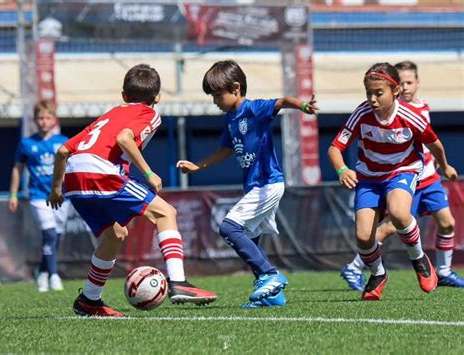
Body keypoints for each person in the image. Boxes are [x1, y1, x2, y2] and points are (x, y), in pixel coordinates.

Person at [47, 64, 217, 317]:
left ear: (124, 95)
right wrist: (149, 173)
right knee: (165, 213)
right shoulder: (149, 114)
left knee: (115, 234)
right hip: (100, 172)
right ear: (158, 97)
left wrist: (56, 189)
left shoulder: (109, 115)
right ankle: (179, 282)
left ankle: (89, 301)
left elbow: (63, 151)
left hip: (73, 178)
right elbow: (125, 138)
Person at [176, 60, 319, 308]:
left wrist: (304, 106)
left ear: (236, 87)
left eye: (218, 95)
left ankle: (269, 275)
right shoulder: (231, 120)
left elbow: (283, 101)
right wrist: (198, 166)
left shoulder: (254, 109)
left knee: (229, 228)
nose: (215, 102)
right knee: (250, 239)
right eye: (212, 96)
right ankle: (272, 297)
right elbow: (225, 150)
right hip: (255, 187)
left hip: (268, 183)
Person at [328, 62, 457, 301]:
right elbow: (335, 147)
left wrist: (446, 165)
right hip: (368, 177)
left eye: (379, 93)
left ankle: (419, 258)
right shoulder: (362, 113)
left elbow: (434, 144)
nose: (373, 99)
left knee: (399, 213)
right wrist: (342, 169)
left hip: (402, 171)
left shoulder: (412, 116)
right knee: (364, 236)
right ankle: (378, 274)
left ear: (395, 91)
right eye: (369, 93)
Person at [9, 101, 69, 292]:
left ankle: (42, 271)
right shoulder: (27, 143)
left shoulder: (63, 141)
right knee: (49, 233)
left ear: (54, 119)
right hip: (37, 196)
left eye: (47, 117)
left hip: (60, 196)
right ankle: (53, 275)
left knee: (56, 237)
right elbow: (17, 168)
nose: (44, 121)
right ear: (35, 120)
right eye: (40, 118)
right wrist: (13, 194)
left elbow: (71, 167)